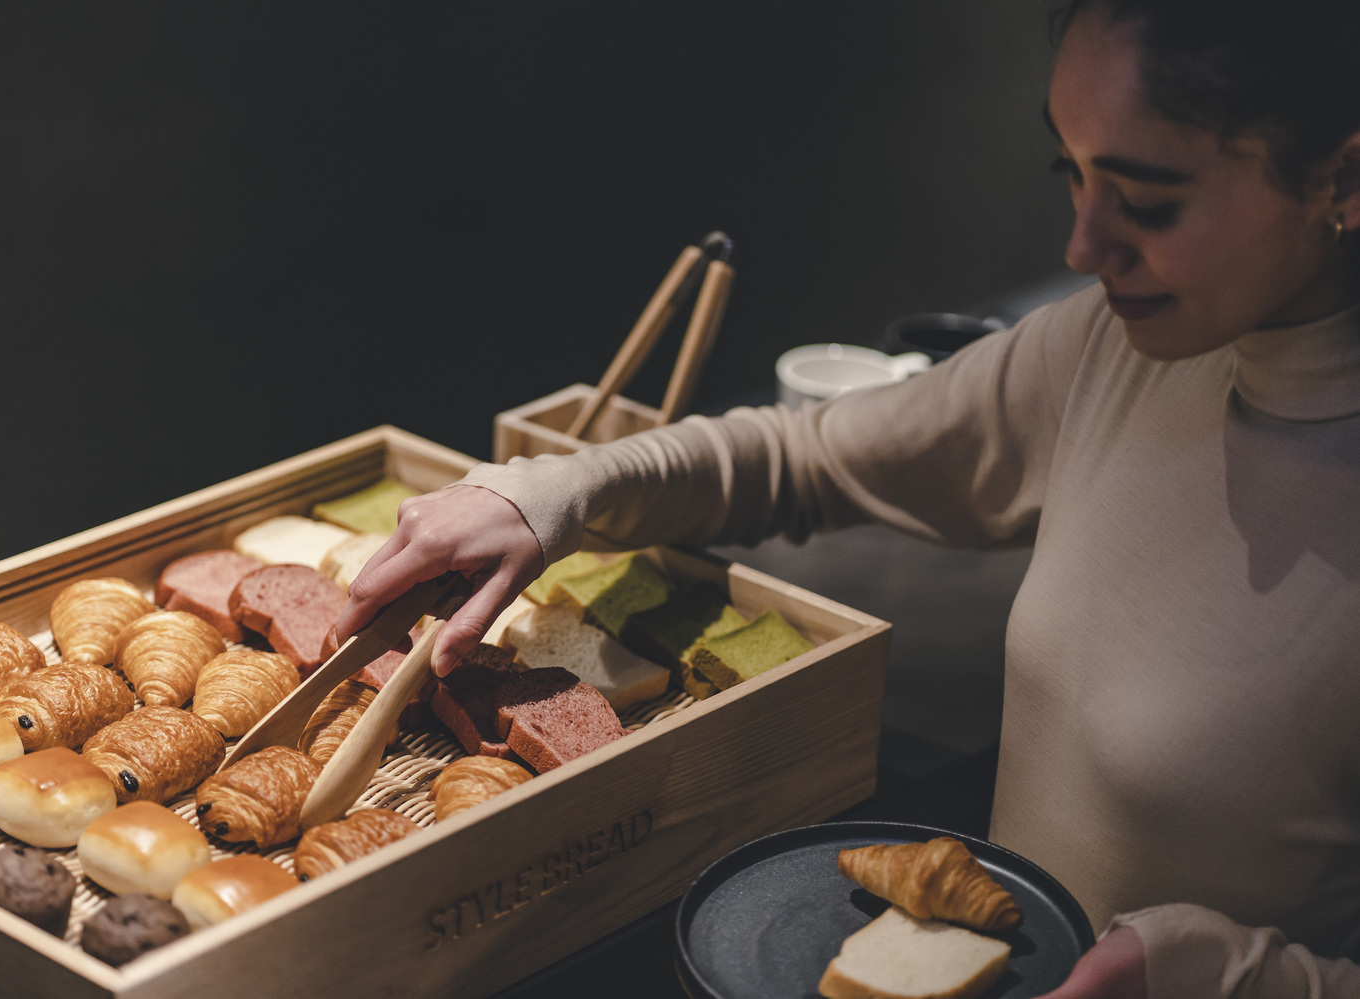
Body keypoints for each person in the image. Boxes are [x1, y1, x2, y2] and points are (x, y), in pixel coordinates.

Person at [333, 1, 1360, 995]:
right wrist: (555, 491)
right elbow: (800, 457)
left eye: (1145, 201)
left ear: (1342, 180)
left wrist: (1229, 980)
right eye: (1072, 176)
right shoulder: (1106, 349)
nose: (1082, 250)